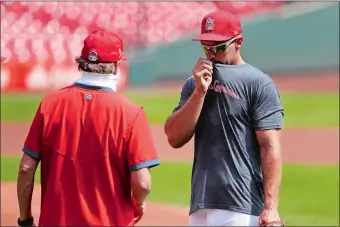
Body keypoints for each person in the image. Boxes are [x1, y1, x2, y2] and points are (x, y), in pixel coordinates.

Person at [16, 29, 160, 227]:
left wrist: (25, 220)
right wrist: (138, 202)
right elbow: (142, 183)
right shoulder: (131, 113)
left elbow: (25, 168)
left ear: (82, 63)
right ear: (116, 66)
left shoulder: (49, 104)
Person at [164, 10, 285, 226]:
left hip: (241, 206)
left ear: (238, 43)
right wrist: (199, 92)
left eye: (218, 48)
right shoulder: (194, 84)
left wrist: (271, 208)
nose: (211, 55)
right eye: (205, 47)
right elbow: (174, 137)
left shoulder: (259, 83)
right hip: (201, 204)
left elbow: (269, 146)